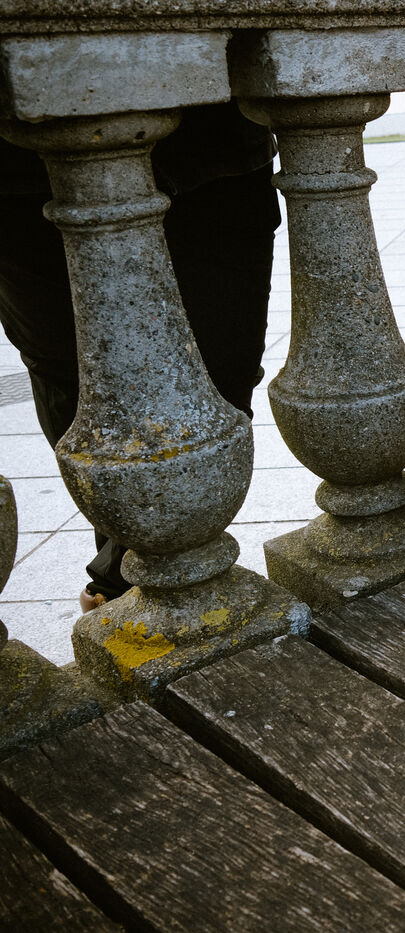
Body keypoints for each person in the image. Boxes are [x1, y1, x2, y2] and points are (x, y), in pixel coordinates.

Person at [0, 102, 279, 611]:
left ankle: (133, 573)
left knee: (222, 377)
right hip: (23, 178)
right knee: (72, 382)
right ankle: (127, 579)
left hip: (214, 152)